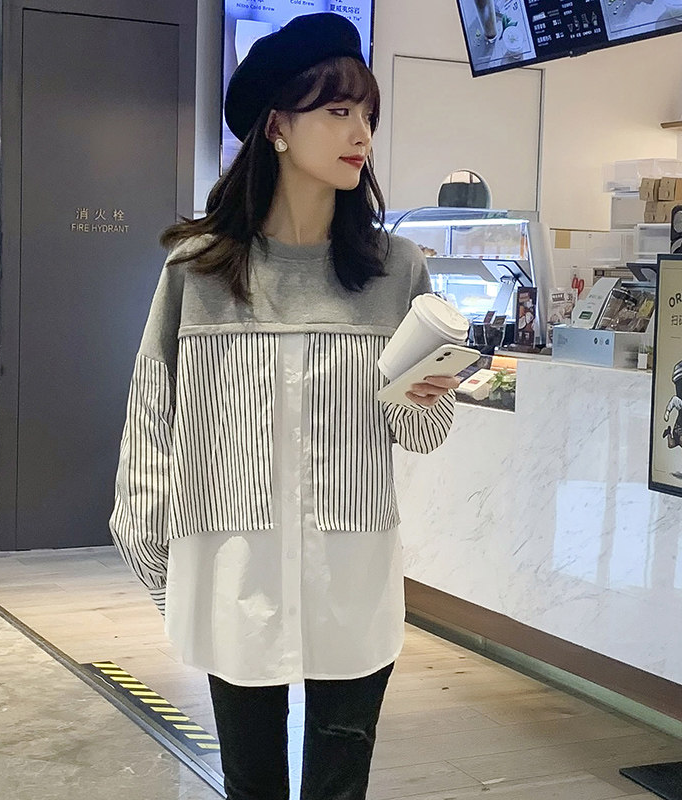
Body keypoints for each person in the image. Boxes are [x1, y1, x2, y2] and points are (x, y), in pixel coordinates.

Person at [109, 13, 458, 800]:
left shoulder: (396, 270)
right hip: (235, 574)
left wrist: (423, 394)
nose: (361, 133)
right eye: (338, 110)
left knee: (340, 789)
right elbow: (151, 422)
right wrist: (162, 564)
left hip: (353, 577)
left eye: (367, 113)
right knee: (253, 787)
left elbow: (424, 432)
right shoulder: (198, 270)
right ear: (276, 125)